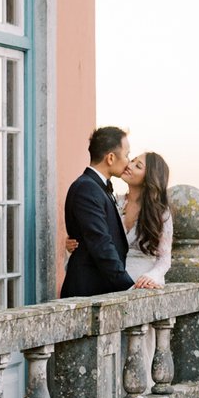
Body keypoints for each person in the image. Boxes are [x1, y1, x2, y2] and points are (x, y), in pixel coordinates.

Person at [66, 151, 173, 288]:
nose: (130, 165)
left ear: (149, 179)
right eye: (132, 160)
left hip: (145, 283)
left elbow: (164, 259)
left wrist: (151, 276)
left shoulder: (160, 212)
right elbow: (98, 239)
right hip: (112, 281)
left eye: (138, 166)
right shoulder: (114, 202)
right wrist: (71, 245)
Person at [60, 126, 135, 298]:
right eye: (126, 155)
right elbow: (100, 242)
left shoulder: (97, 187)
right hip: (88, 289)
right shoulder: (87, 188)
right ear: (110, 158)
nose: (128, 161)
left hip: (100, 288)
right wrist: (128, 286)